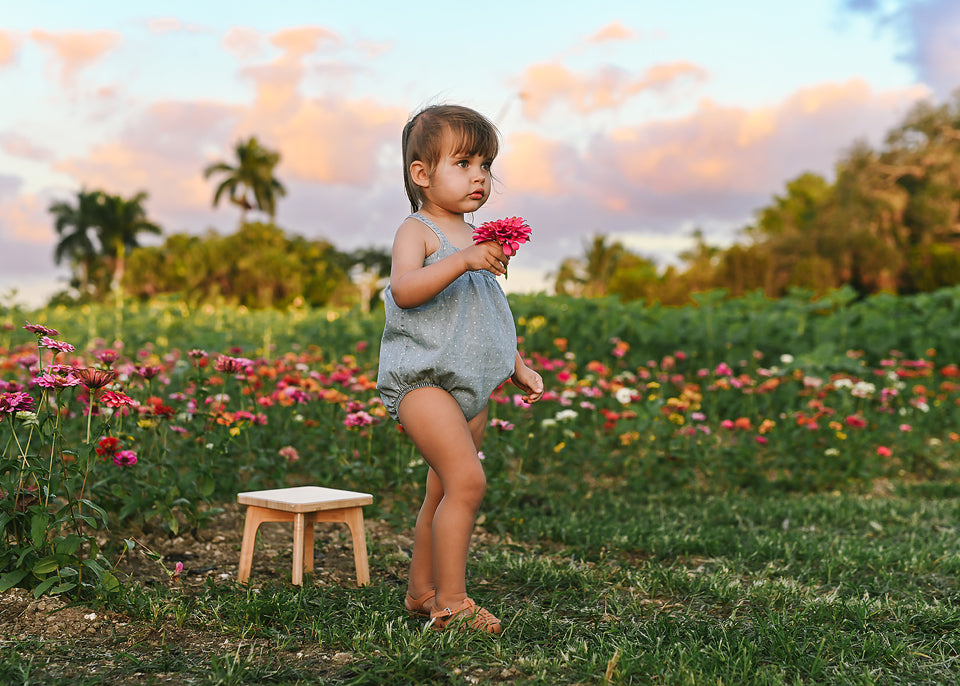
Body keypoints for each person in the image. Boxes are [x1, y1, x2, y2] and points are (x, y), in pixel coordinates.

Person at [377, 104, 544, 634]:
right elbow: (404, 291)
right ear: (422, 174)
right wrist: (464, 259)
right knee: (467, 483)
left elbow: (483, 312)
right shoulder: (419, 231)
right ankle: (452, 603)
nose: (479, 175)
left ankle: (421, 590)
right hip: (423, 383)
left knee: (442, 491)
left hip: (469, 386)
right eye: (464, 162)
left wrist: (514, 362)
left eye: (486, 165)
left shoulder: (478, 239)